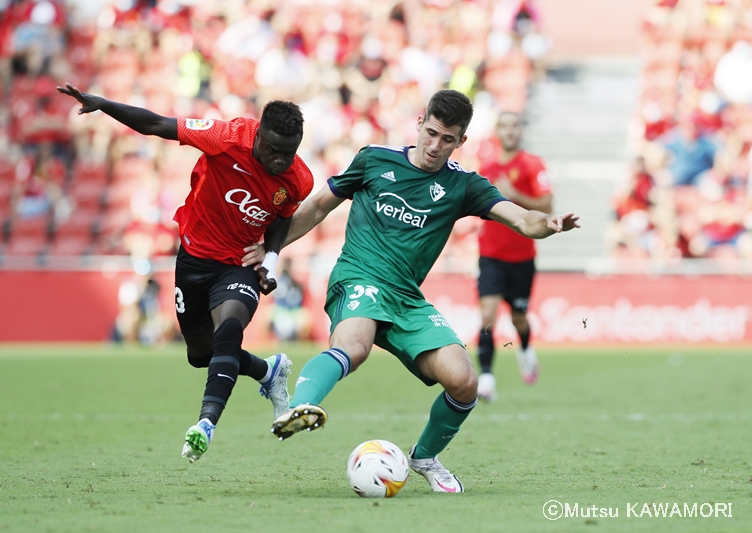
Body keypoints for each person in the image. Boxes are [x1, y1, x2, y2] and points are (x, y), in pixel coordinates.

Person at [242, 89, 579, 493]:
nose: (436, 146)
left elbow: (522, 220)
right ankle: (297, 406)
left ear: (461, 142)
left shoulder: (463, 185)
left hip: (406, 298)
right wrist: (271, 250)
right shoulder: (374, 159)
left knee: (464, 381)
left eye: (448, 139)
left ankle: (424, 457)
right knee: (355, 346)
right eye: (432, 133)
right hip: (359, 277)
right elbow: (317, 208)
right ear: (420, 123)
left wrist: (549, 224)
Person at [57, 83, 314, 463]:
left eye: (288, 153)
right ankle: (268, 371)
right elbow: (157, 124)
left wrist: (270, 258)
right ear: (257, 134)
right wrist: (104, 104)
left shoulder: (298, 178)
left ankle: (205, 424)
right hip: (193, 260)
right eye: (273, 150)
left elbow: (283, 217)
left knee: (229, 330)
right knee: (201, 354)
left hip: (237, 264)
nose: (279, 160)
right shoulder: (225, 138)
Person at [475, 111, 553, 402]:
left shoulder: (533, 165)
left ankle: (524, 348)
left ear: (520, 130)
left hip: (522, 257)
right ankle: (486, 378)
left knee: (519, 318)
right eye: (504, 126)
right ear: (497, 131)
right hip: (491, 255)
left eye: (514, 125)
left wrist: (514, 194)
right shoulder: (485, 168)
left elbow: (547, 204)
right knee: (487, 316)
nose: (509, 131)